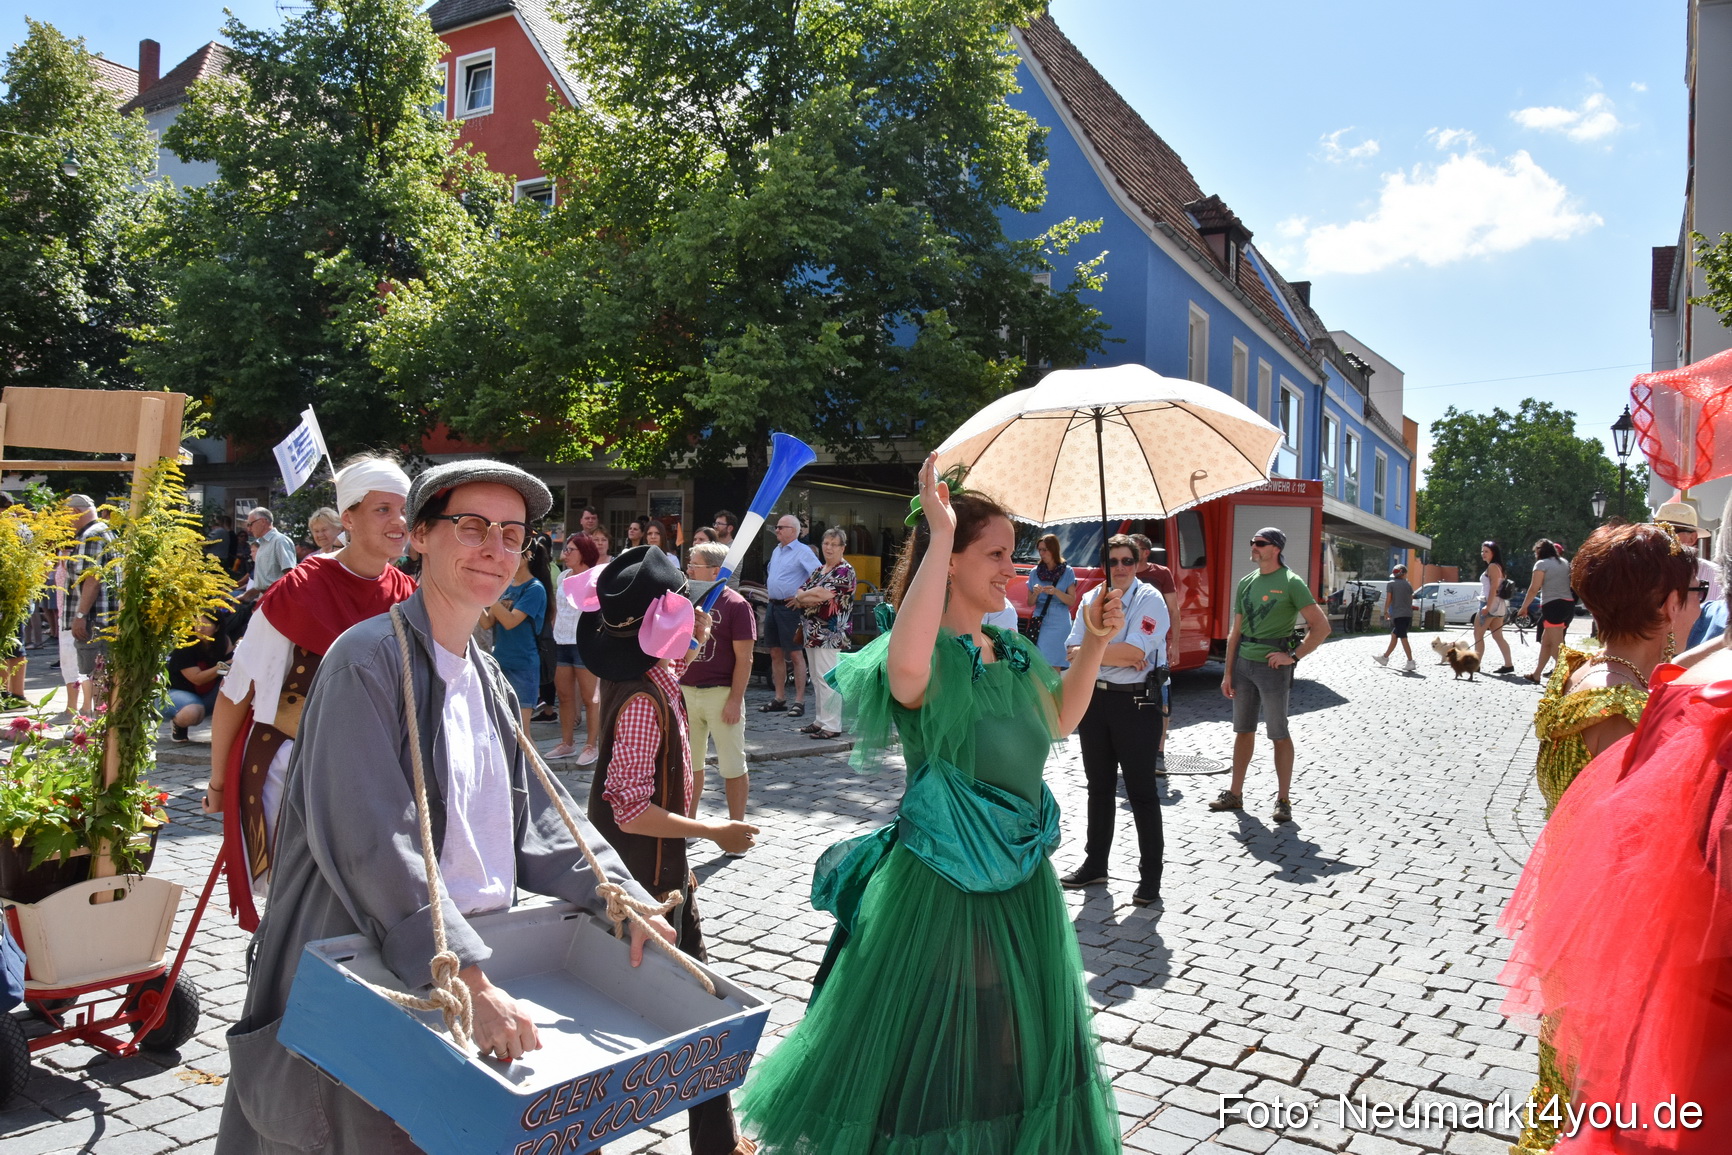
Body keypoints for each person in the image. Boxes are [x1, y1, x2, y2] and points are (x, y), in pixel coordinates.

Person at [215, 460, 676, 1155]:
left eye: (512, 533)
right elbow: (375, 840)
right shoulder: (365, 661)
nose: (494, 546)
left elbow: (541, 815)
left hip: (459, 975)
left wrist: (616, 894)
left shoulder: (485, 672)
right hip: (378, 980)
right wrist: (468, 973)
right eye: (471, 526)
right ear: (421, 537)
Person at [737, 455, 1123, 1152]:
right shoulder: (925, 653)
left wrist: (1092, 640)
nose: (1013, 566)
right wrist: (939, 534)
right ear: (951, 560)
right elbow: (908, 670)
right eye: (996, 554)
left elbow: (1061, 719)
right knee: (949, 1043)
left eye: (1014, 552)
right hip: (943, 886)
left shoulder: (1009, 652)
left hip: (1022, 882)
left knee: (1016, 1042)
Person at [1500, 522, 1727, 1155]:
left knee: (1571, 1075)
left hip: (1574, 903)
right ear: (1665, 606)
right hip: (1610, 921)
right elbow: (1644, 842)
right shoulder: (1621, 710)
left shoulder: (1586, 668)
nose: (1698, 602)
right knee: (1597, 1081)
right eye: (1692, 591)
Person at [577, 544, 758, 1155]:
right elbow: (628, 806)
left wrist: (694, 624)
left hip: (664, 884)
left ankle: (717, 1144)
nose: (699, 617)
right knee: (648, 1029)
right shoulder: (640, 704)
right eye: (687, 609)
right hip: (639, 896)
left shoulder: (653, 676)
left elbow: (674, 658)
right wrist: (715, 834)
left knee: (700, 1021)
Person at [205, 456, 417, 930]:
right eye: (383, 509)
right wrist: (220, 785)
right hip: (291, 769)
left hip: (377, 775)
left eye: (404, 510)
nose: (399, 521)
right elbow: (237, 694)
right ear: (349, 518)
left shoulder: (408, 594)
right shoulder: (298, 590)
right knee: (302, 911)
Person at [1061, 533, 1170, 904]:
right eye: (1113, 562)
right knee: (1099, 788)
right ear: (1104, 565)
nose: (1120, 568)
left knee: (1141, 792)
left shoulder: (1149, 599)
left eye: (1127, 561)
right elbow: (1072, 650)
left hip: (1136, 705)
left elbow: (1134, 653)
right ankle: (1095, 865)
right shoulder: (1092, 598)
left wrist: (1096, 649)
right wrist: (1112, 651)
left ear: (1138, 563)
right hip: (1095, 701)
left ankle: (1150, 879)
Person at [1211, 527, 1330, 823]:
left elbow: (1322, 627)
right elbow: (1235, 631)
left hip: (1273, 667)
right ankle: (1235, 794)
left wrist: (1292, 657)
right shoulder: (1247, 582)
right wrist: (1227, 673)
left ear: (1275, 548)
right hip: (1243, 666)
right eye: (1252, 541)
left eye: (1260, 543)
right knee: (1243, 730)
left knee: (1278, 732)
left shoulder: (1291, 582)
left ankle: (1283, 800)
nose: (1253, 546)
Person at [681, 542, 756, 820]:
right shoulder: (685, 600)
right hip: (686, 691)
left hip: (721, 693)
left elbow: (744, 658)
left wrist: (735, 700)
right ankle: (688, 824)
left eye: (694, 565)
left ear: (715, 571)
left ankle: (737, 827)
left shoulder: (737, 605)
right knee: (690, 764)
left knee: (733, 765)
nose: (688, 569)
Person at [481, 536, 548, 733]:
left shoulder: (535, 589)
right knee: (501, 730)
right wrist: (473, 597)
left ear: (527, 555)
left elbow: (510, 622)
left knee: (521, 733)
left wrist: (489, 593)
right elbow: (487, 623)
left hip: (523, 667)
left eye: (513, 551)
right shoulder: (505, 587)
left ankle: (533, 766)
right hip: (500, 663)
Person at [794, 527, 856, 741]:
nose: (828, 547)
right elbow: (799, 593)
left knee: (828, 678)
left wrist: (807, 596)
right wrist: (807, 596)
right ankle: (821, 720)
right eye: (826, 543)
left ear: (842, 547)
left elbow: (820, 594)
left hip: (830, 632)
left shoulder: (844, 570)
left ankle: (832, 724)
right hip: (812, 631)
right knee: (817, 678)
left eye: (833, 544)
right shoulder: (819, 570)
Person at [760, 513, 819, 718]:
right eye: (776, 527)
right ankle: (780, 697)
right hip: (773, 606)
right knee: (775, 652)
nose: (776, 530)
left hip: (790, 608)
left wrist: (801, 598)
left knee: (794, 653)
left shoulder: (802, 551)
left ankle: (799, 700)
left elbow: (818, 576)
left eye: (780, 527)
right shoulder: (777, 550)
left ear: (793, 531)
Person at [1131, 532, 1181, 770]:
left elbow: (1173, 609)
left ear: (1146, 552)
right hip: (1129, 647)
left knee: (1160, 696)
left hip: (1157, 647)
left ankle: (1159, 752)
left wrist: (1176, 643)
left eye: (1135, 548)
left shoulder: (1160, 574)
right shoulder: (1123, 573)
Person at [548, 533, 600, 760]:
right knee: (565, 696)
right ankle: (566, 743)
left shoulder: (594, 578)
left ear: (584, 552)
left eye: (570, 550)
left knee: (590, 698)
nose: (565, 554)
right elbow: (559, 609)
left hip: (585, 643)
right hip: (561, 641)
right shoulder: (563, 577)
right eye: (565, 549)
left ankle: (591, 745)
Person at [66, 494, 117, 705]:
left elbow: (92, 579)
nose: (64, 522)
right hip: (105, 620)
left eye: (65, 516)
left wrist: (80, 615)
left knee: (92, 676)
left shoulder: (90, 535)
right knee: (103, 677)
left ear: (76, 513)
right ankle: (101, 726)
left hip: (94, 622)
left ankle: (96, 727)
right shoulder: (106, 531)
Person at [168, 613, 230, 742]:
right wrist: (224, 667)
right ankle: (179, 724)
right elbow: (197, 679)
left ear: (217, 628)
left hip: (207, 694)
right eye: (197, 623)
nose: (199, 628)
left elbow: (233, 668)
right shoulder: (184, 644)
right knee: (192, 713)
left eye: (205, 624)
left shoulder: (224, 642)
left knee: (234, 691)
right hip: (178, 692)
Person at [1521, 540, 1575, 684]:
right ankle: (1536, 674)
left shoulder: (1541, 564)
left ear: (1539, 551)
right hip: (1568, 606)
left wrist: (1523, 607)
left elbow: (1534, 588)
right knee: (1546, 642)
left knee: (1556, 646)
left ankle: (1566, 679)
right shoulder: (1564, 562)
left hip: (1552, 606)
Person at [1027, 533, 1078, 671]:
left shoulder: (1067, 571)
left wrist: (1056, 592)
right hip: (1040, 621)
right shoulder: (1034, 572)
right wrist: (1036, 594)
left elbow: (1072, 600)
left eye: (1045, 550)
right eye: (1040, 550)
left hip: (1059, 622)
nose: (1042, 553)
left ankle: (1055, 693)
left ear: (1053, 550)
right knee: (1038, 663)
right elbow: (1029, 603)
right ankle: (1041, 693)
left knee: (1055, 665)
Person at [1473, 539, 1515, 674]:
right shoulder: (1499, 567)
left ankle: (1476, 664)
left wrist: (1487, 607)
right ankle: (1508, 664)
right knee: (1498, 636)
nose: (1483, 554)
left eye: (1486, 551)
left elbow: (1493, 589)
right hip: (1499, 605)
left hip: (1489, 603)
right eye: (1482, 551)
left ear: (1493, 553)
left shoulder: (1492, 567)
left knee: (1478, 634)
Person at [240, 508, 298, 602]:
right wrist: (245, 596)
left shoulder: (280, 541)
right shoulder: (262, 544)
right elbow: (263, 583)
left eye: (251, 524)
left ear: (263, 521)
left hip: (278, 600)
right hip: (265, 598)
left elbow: (290, 574)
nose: (249, 529)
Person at [1374, 563, 1416, 671]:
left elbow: (1389, 598)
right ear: (1404, 574)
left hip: (1398, 614)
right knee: (1394, 635)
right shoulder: (1408, 585)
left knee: (1403, 638)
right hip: (1407, 614)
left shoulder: (1391, 584)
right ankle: (1385, 658)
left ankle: (1410, 661)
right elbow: (1411, 598)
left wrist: (1386, 610)